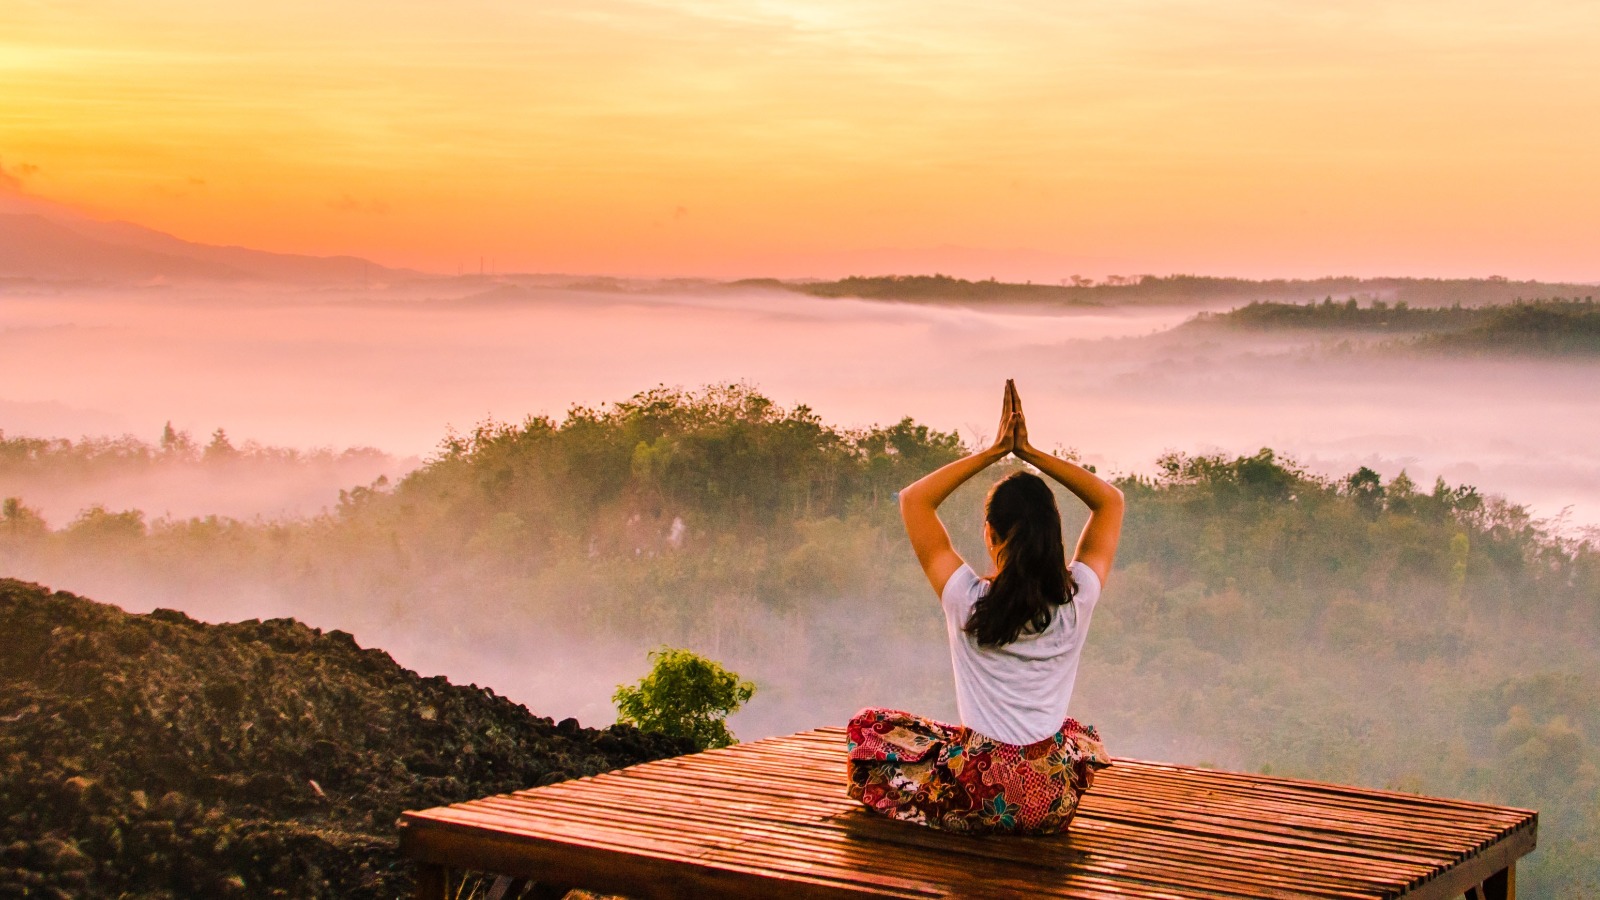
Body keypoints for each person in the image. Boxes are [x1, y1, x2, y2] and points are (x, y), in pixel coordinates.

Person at [846, 379, 1124, 835]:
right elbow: (1110, 501)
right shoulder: (1078, 599)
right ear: (1053, 538)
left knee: (868, 728)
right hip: (1048, 802)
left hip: (974, 793)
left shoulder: (966, 599)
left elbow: (915, 500)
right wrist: (1029, 452)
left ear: (991, 535)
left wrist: (996, 451)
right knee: (1070, 734)